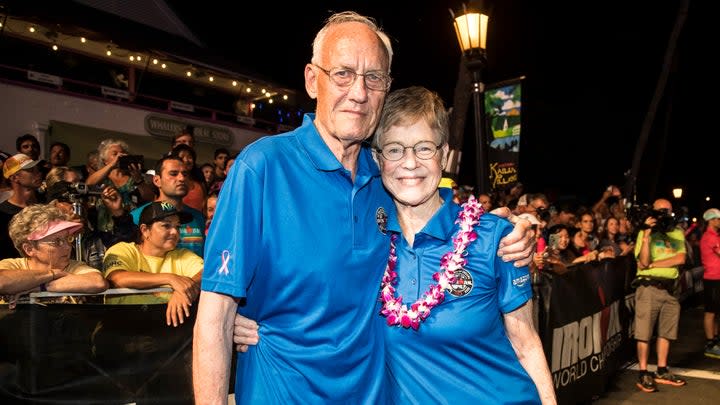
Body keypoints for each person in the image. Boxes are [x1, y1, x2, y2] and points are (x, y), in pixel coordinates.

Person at [192, 12, 535, 404]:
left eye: (374, 78)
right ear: (311, 80)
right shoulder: (262, 167)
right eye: (342, 73)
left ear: (386, 90)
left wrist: (513, 228)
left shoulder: (387, 175)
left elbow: (453, 225)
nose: (358, 92)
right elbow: (215, 319)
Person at [372, 86, 554, 403]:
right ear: (377, 159)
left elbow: (526, 344)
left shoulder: (495, 237)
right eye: (395, 149)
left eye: (424, 148)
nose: (410, 162)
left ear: (445, 154)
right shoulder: (369, 243)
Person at [103, 201, 203, 327]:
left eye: (177, 226)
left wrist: (183, 290)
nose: (175, 232)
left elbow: (207, 273)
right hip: (123, 334)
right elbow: (117, 278)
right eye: (166, 226)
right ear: (145, 230)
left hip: (167, 336)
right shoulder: (123, 250)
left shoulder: (182, 255)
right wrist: (170, 278)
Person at [0, 203, 108, 308]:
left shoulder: (73, 266)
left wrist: (39, 287)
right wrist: (53, 274)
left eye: (68, 239)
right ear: (29, 249)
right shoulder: (12, 265)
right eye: (57, 241)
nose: (68, 247)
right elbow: (2, 281)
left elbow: (98, 282)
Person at [633, 198, 687, 392]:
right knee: (644, 332)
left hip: (671, 289)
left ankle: (662, 370)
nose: (665, 213)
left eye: (668, 210)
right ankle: (643, 372)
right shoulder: (644, 232)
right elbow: (643, 261)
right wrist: (647, 235)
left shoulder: (677, 232)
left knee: (667, 332)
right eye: (661, 211)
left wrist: (654, 265)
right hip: (649, 288)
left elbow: (681, 258)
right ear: (653, 212)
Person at [130, 155, 205, 258]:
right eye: (173, 174)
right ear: (157, 180)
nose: (181, 178)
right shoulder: (136, 216)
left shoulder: (198, 217)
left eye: (185, 174)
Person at [700, 208, 720, 358]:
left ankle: (715, 339)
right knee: (711, 311)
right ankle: (710, 343)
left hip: (717, 278)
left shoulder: (716, 236)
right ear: (711, 220)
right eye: (718, 219)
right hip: (712, 279)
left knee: (716, 312)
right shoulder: (709, 237)